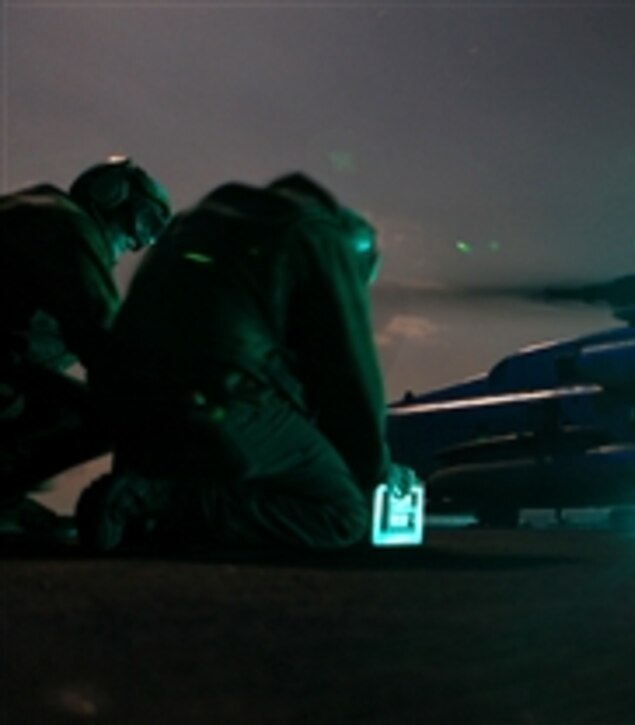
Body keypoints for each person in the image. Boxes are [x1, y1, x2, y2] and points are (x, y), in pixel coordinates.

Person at [77, 173, 409, 553]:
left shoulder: (198, 223)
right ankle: (151, 504)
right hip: (213, 398)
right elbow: (349, 379)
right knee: (342, 514)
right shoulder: (318, 236)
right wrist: (375, 474)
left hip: (132, 407)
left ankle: (149, 507)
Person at [0, 157, 171, 539]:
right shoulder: (66, 226)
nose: (140, 239)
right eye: (143, 219)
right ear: (111, 194)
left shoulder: (31, 213)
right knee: (106, 414)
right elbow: (104, 338)